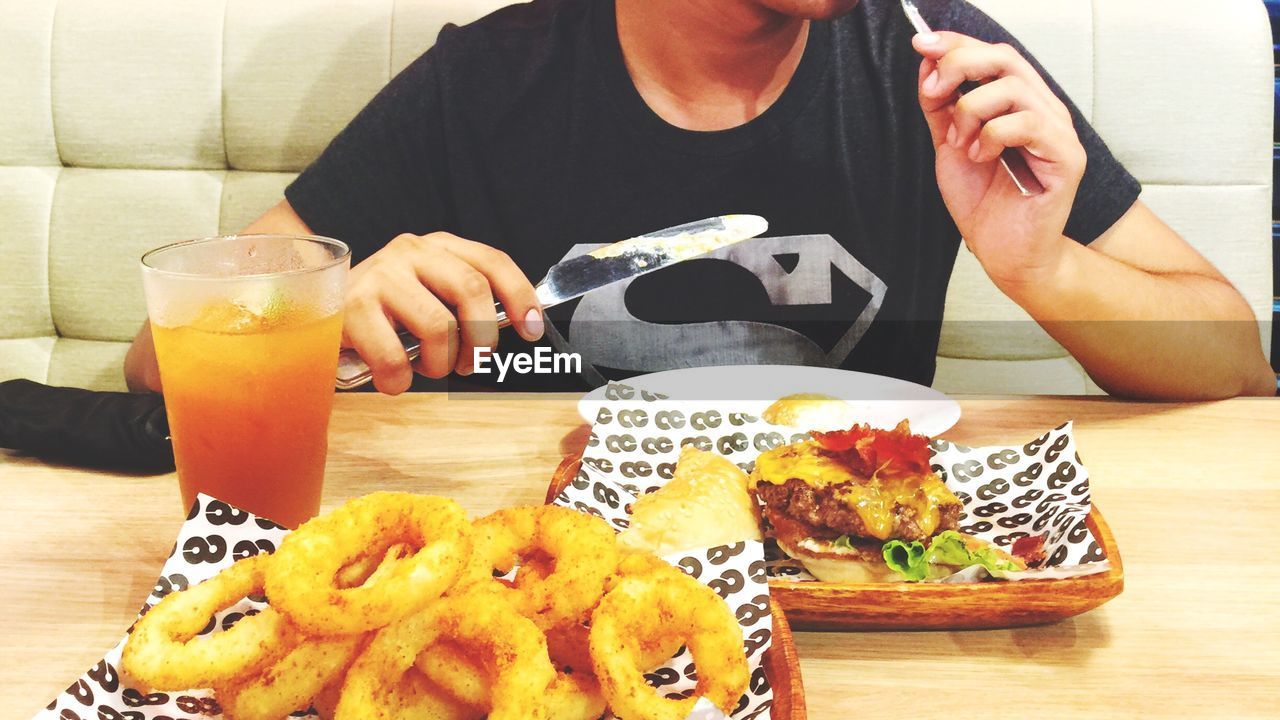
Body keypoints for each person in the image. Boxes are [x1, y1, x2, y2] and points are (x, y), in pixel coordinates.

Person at [124, 0, 1275, 400]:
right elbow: (154, 362)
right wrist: (327, 308)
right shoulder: (489, 80)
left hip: (847, 594)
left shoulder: (938, 67)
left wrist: (1040, 265)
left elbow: (1229, 363)